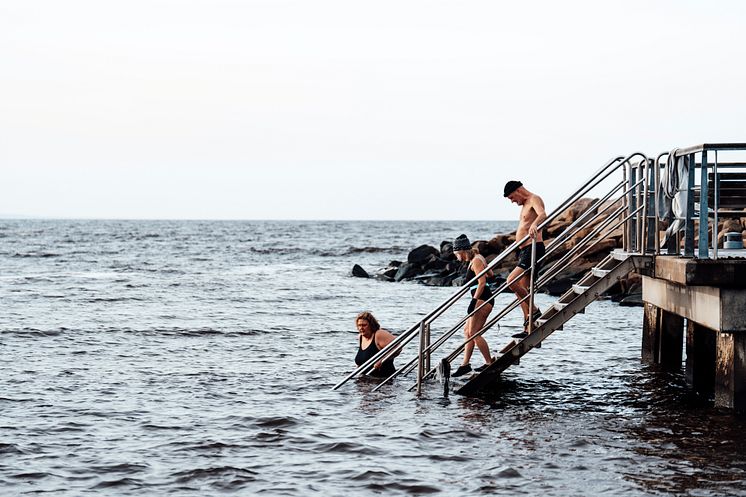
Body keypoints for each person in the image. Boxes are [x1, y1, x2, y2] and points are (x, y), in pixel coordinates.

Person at [503, 180, 547, 339]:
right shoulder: (524, 205)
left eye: (512, 198)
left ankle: (534, 311)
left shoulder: (534, 199)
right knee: (522, 290)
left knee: (511, 281)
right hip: (524, 250)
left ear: (518, 190)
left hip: (533, 248)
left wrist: (535, 225)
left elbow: (542, 214)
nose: (513, 202)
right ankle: (528, 326)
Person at [451, 234, 494, 377]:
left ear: (462, 251)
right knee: (467, 332)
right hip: (482, 298)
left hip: (482, 299)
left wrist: (473, 301)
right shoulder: (478, 258)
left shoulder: (475, 260)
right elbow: (491, 274)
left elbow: (482, 282)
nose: (457, 257)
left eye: (457, 254)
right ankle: (465, 365)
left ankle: (489, 362)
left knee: (474, 333)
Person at [354, 311, 398, 378]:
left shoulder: (379, 334)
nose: (361, 328)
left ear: (371, 325)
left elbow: (398, 346)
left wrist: (382, 360)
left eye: (364, 325)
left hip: (383, 381)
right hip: (366, 381)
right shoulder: (361, 337)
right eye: (359, 325)